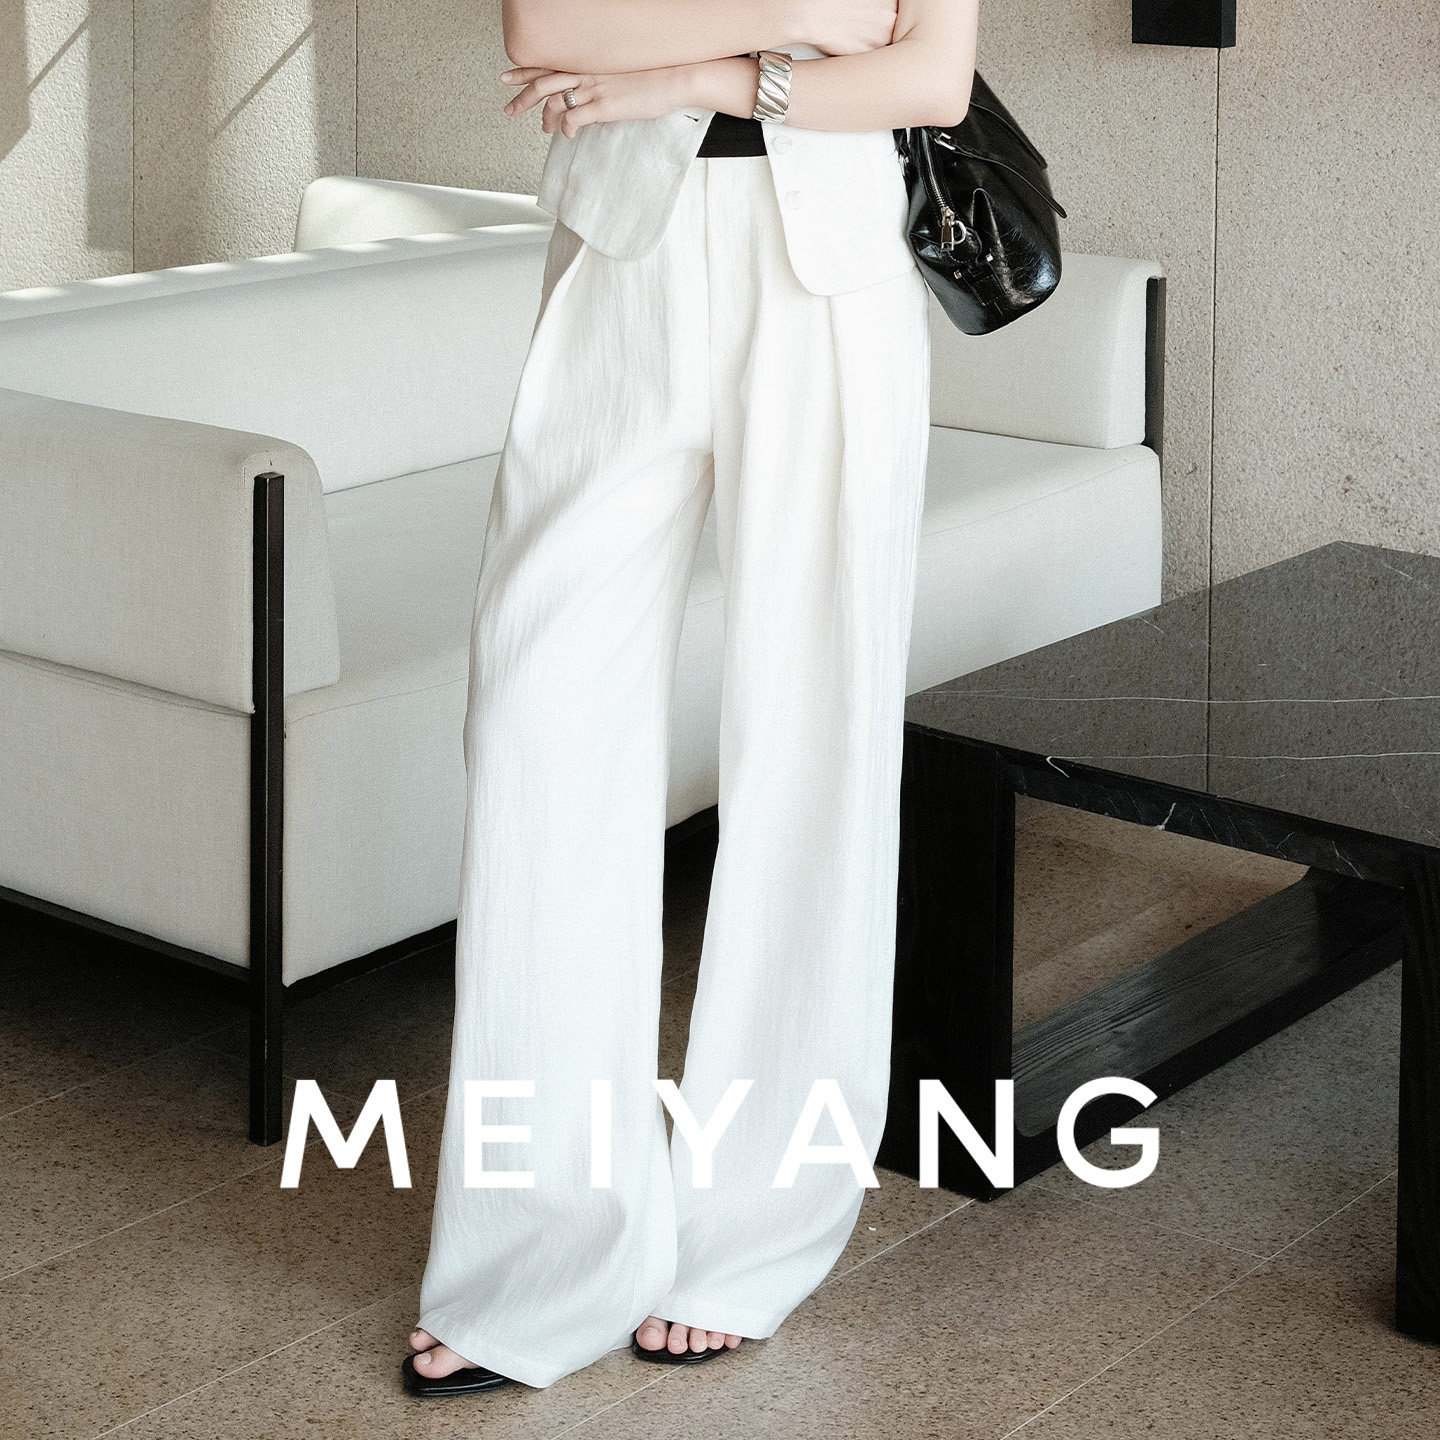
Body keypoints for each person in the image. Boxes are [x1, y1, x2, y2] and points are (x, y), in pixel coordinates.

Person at [402, 0, 978, 1397]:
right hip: (623, 261)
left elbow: (930, 76)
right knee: (537, 729)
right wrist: (810, 17)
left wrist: (693, 67)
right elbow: (546, 24)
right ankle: (540, 1249)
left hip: (831, 275)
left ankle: (752, 1230)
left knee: (814, 743)